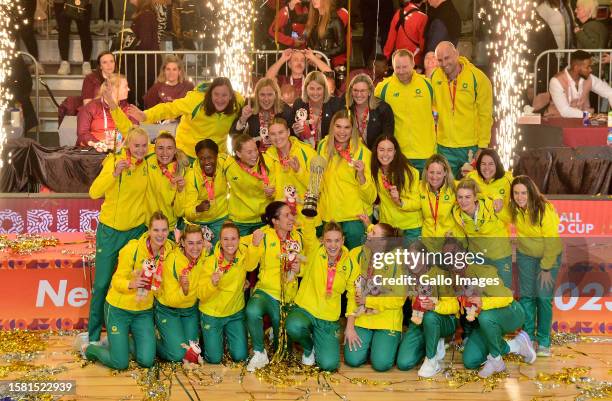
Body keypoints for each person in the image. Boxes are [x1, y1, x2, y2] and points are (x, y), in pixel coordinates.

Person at [77, 212, 174, 369]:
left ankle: (120, 342)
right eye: (156, 230)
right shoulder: (132, 249)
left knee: (147, 361)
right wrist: (131, 283)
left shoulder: (170, 251)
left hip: (143, 312)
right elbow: (116, 281)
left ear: (168, 231)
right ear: (149, 231)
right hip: (118, 309)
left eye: (164, 230)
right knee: (120, 363)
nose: (160, 235)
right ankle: (90, 349)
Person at [85, 127, 150, 345]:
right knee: (102, 284)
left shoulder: (148, 166)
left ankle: (129, 332)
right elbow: (94, 192)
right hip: (110, 231)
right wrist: (114, 174)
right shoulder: (115, 162)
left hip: (135, 232)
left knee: (136, 282)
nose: (140, 150)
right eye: (136, 146)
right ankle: (93, 337)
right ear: (128, 146)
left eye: (144, 145)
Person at [245, 201, 315, 372]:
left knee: (282, 353)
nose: (292, 218)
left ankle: (275, 335)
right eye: (286, 215)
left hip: (288, 296)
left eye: (291, 214)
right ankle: (259, 352)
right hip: (266, 292)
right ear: (275, 221)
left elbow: (306, 264)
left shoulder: (297, 237)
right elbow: (249, 265)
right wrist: (254, 245)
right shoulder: (264, 236)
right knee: (252, 310)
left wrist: (299, 270)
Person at [286, 222, 359, 371]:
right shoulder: (315, 250)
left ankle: (318, 338)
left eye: (337, 240)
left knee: (329, 365)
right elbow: (308, 231)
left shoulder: (351, 263)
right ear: (323, 241)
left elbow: (353, 296)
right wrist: (308, 213)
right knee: (294, 325)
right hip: (306, 308)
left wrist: (350, 326)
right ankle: (308, 348)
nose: (333, 245)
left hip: (328, 317)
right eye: (328, 240)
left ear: (343, 240)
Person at [458, 244, 537, 377]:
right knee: (470, 361)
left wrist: (483, 303)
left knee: (485, 317)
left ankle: (496, 360)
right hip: (485, 323)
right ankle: (516, 345)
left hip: (511, 312)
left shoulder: (484, 272)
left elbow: (506, 298)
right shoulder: (450, 279)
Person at [510, 175, 562, 357]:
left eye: (523, 193)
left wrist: (546, 268)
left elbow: (552, 241)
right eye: (516, 193)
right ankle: (528, 337)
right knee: (526, 297)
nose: (520, 197)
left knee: (543, 298)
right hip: (526, 256)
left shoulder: (544, 209)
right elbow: (499, 216)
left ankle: (544, 340)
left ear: (531, 192)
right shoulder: (514, 209)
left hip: (548, 257)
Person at [128, 77, 244, 158]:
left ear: (230, 96)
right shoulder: (195, 100)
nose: (220, 99)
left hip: (217, 155)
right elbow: (170, 108)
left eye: (224, 95)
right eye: (216, 94)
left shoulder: (238, 102)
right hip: (188, 152)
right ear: (210, 94)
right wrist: (146, 115)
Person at [344, 222, 404, 372]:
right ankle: (373, 344)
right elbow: (352, 292)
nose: (368, 234)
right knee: (353, 360)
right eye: (370, 231)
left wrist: (368, 300)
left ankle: (387, 342)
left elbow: (399, 299)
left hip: (386, 319)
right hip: (362, 317)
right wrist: (349, 326)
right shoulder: (357, 254)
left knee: (381, 365)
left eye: (373, 233)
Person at [198, 221, 259, 363]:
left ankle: (224, 338)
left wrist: (255, 245)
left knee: (240, 357)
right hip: (212, 314)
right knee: (214, 359)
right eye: (225, 239)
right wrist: (212, 284)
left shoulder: (243, 252)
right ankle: (210, 338)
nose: (229, 243)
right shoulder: (211, 262)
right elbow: (200, 294)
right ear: (220, 240)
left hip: (235, 314)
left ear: (239, 240)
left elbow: (251, 266)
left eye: (233, 239)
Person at [395, 240, 459, 377]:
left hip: (444, 319)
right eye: (409, 259)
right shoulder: (408, 277)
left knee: (430, 317)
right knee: (403, 363)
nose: (413, 263)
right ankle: (433, 342)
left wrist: (435, 306)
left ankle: (431, 360)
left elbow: (455, 306)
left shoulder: (440, 275)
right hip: (419, 320)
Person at [317, 110, 377, 249]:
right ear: (332, 127)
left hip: (355, 220)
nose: (342, 132)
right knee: (331, 267)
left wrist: (361, 175)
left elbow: (371, 197)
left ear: (353, 130)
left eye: (346, 127)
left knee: (357, 264)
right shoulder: (323, 147)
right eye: (338, 126)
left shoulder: (364, 153)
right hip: (330, 218)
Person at [431, 42, 493, 177]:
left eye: (447, 58)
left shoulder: (478, 78)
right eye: (440, 60)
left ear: (457, 55)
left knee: (469, 190)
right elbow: (432, 108)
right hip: (444, 146)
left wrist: (482, 146)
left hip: (470, 146)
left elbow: (485, 115)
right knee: (447, 190)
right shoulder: (435, 77)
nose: (444, 63)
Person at [375, 49, 435, 172]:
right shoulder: (382, 88)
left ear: (413, 64)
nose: (401, 71)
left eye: (405, 67)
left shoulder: (428, 85)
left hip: (425, 153)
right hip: (398, 154)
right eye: (398, 67)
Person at [154, 223, 206, 362]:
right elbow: (171, 299)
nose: (195, 248)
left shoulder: (204, 257)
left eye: (199, 243)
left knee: (191, 355)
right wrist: (184, 290)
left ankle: (171, 338)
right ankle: (150, 340)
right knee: (177, 356)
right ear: (182, 242)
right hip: (168, 309)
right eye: (190, 243)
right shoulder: (172, 260)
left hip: (189, 311)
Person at [452, 178, 513, 289]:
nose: (463, 201)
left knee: (503, 293)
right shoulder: (457, 215)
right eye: (460, 197)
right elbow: (460, 240)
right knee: (479, 295)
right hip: (478, 258)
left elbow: (509, 218)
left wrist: (497, 197)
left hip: (499, 256)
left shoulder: (491, 205)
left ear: (475, 197)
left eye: (467, 197)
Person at [264, 117, 319, 226]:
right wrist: (269, 192)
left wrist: (298, 170)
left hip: (307, 219)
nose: (277, 137)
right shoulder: (267, 156)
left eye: (281, 132)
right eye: (273, 134)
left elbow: (317, 186)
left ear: (288, 132)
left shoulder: (307, 152)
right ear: (269, 136)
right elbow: (273, 189)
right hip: (283, 223)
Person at [370, 135, 422, 241]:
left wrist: (399, 201)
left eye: (389, 150)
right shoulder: (374, 171)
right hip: (388, 228)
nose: (385, 154)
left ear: (395, 152)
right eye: (381, 150)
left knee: (409, 258)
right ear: (376, 151)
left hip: (410, 228)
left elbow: (418, 203)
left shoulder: (410, 173)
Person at [224, 134, 276, 236]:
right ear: (238, 154)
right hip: (240, 220)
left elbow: (276, 190)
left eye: (255, 150)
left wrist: (272, 193)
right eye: (249, 152)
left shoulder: (268, 162)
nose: (254, 155)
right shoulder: (228, 165)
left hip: (263, 218)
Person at [184, 139, 229, 244]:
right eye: (202, 159)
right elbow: (187, 212)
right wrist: (198, 209)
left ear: (217, 156)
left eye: (210, 158)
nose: (206, 162)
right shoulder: (191, 176)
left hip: (221, 218)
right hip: (199, 223)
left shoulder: (224, 163)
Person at [76, 74, 138, 148]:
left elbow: (135, 133)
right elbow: (82, 134)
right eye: (125, 86)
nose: (128, 89)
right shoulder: (90, 107)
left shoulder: (129, 109)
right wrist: (98, 144)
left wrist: (121, 144)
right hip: (94, 152)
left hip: (120, 151)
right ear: (114, 89)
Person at [231, 78, 292, 152]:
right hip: (255, 154)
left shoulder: (284, 109)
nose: (266, 99)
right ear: (256, 95)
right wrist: (243, 118)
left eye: (270, 95)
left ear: (275, 95)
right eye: (262, 95)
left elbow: (292, 136)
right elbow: (233, 133)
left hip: (278, 153)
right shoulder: (250, 105)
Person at [547, 50, 612, 118]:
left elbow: (610, 92)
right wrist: (591, 116)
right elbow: (565, 111)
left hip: (582, 122)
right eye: (587, 67)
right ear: (576, 68)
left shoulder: (589, 78)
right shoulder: (556, 81)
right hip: (557, 122)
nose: (591, 70)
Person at [145, 133, 188, 235]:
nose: (164, 153)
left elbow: (180, 212)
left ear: (174, 150)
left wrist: (181, 190)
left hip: (167, 227)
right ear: (154, 149)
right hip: (147, 225)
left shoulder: (182, 171)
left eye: (169, 148)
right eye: (160, 148)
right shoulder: (147, 162)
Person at [290, 70, 342, 148]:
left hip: (329, 149)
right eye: (311, 88)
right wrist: (296, 132)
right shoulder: (299, 104)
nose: (315, 93)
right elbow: (292, 134)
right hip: (306, 149)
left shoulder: (335, 104)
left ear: (324, 89)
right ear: (306, 89)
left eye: (319, 89)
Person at [343, 74, 394, 149]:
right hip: (350, 155)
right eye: (355, 90)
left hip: (375, 155)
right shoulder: (345, 108)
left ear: (370, 91)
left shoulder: (383, 109)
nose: (358, 94)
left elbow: (387, 140)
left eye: (363, 91)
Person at [124, 0, 160, 108]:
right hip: (144, 62)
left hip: (145, 63)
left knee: (142, 94)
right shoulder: (146, 14)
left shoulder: (146, 16)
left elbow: (146, 42)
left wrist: (129, 48)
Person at [417, 154, 456, 251]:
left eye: (439, 173)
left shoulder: (454, 188)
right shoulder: (419, 188)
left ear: (445, 173)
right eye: (431, 172)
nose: (434, 177)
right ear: (426, 172)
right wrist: (400, 202)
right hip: (427, 240)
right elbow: (410, 202)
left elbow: (476, 193)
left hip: (448, 239)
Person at [266, 49, 332, 99]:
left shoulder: (311, 80)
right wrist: (282, 59)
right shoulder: (283, 80)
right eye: (295, 60)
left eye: (302, 60)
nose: (299, 63)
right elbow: (268, 78)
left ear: (305, 65)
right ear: (289, 64)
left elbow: (329, 74)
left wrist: (313, 57)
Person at [383, 0, 428, 66]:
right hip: (414, 60)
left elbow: (390, 39)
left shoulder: (398, 13)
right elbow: (423, 44)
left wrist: (385, 59)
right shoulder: (423, 17)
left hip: (398, 58)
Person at [304, 0, 346, 68]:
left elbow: (342, 47)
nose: (314, 1)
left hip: (325, 64)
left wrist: (322, 54)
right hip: (310, 64)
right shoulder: (312, 18)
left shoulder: (334, 20)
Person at [54, 0, 93, 75]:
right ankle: (64, 62)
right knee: (63, 31)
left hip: (83, 2)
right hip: (61, 2)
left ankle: (86, 63)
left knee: (84, 31)